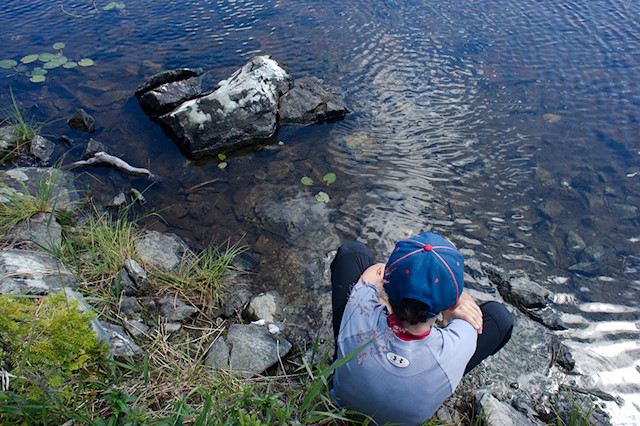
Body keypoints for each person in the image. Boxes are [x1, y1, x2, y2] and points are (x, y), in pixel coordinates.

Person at [330, 232, 513, 425]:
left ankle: (342, 361)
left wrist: (400, 275)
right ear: (449, 305)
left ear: (387, 284)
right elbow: (469, 310)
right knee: (499, 317)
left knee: (353, 252)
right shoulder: (458, 345)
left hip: (342, 405)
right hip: (408, 414)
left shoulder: (360, 310)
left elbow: (375, 272)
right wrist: (451, 292)